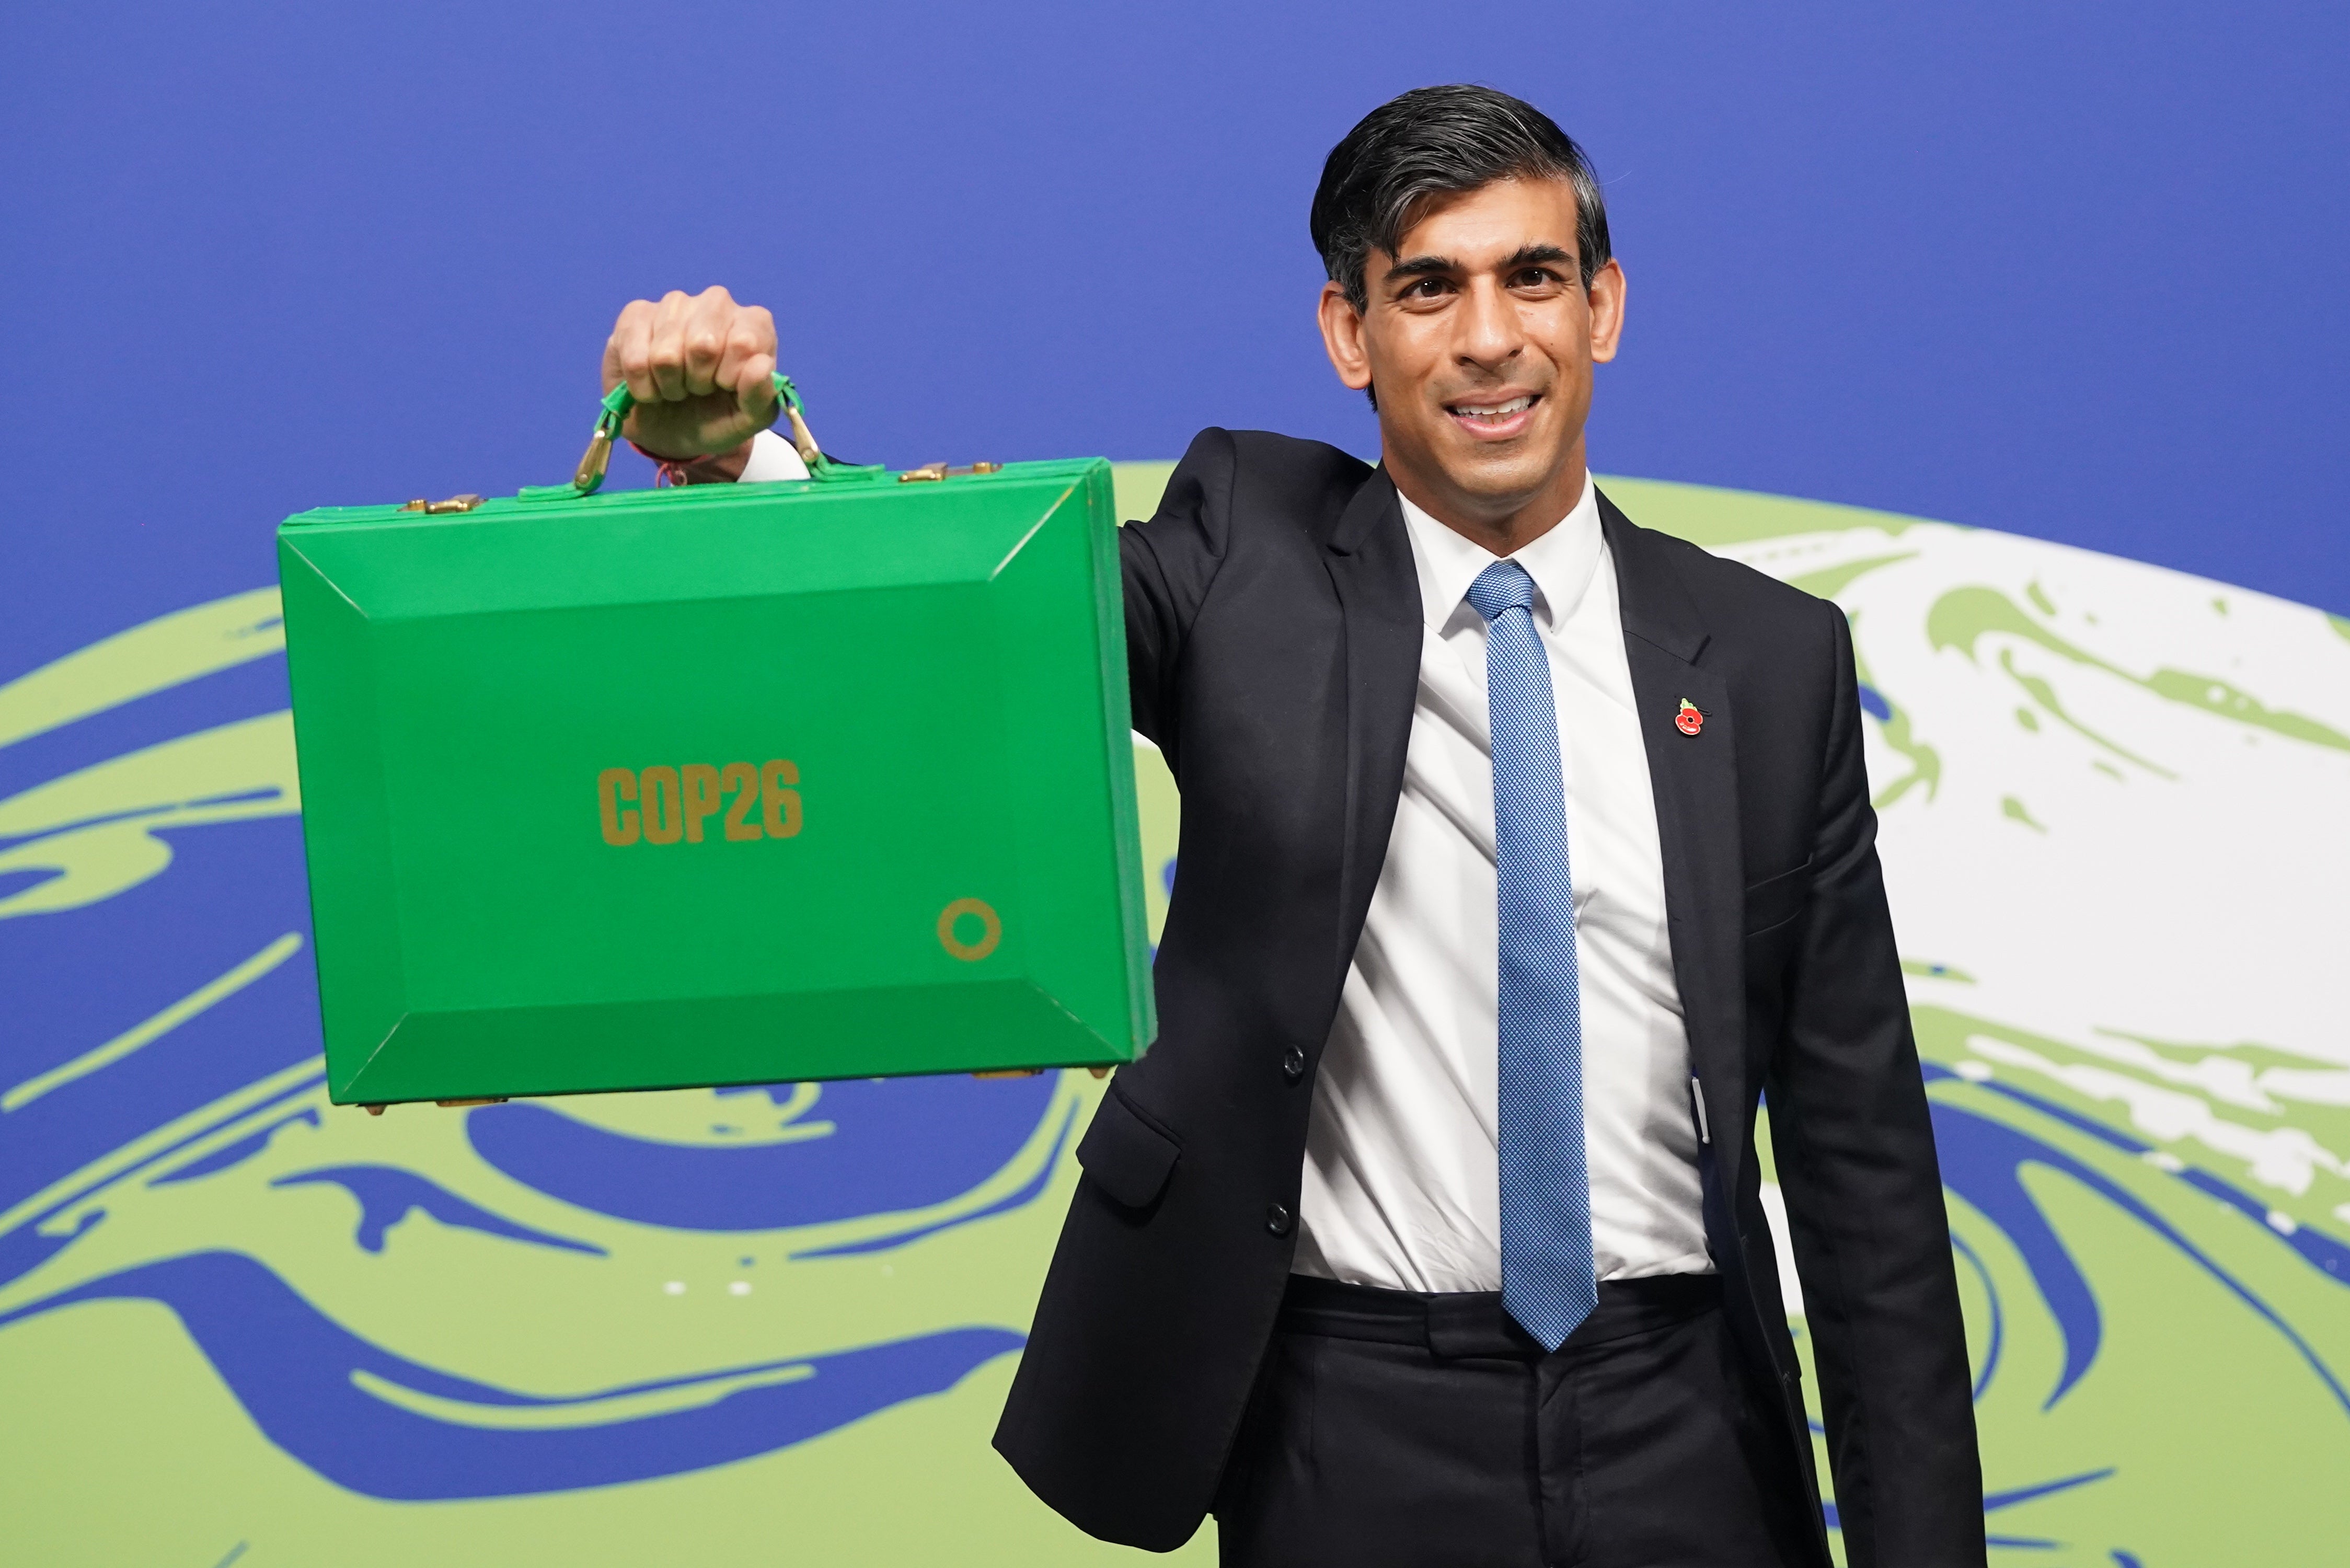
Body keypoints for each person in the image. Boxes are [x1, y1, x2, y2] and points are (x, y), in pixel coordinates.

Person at [598, 84, 1983, 1568]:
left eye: (1534, 276)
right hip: (1350, 1423)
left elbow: (1863, 1182)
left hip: (1686, 1420)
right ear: (1349, 334)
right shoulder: (1241, 555)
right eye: (1428, 288)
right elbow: (958, 640)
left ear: (1605, 309)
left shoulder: (1770, 662)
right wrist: (742, 455)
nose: (1491, 337)